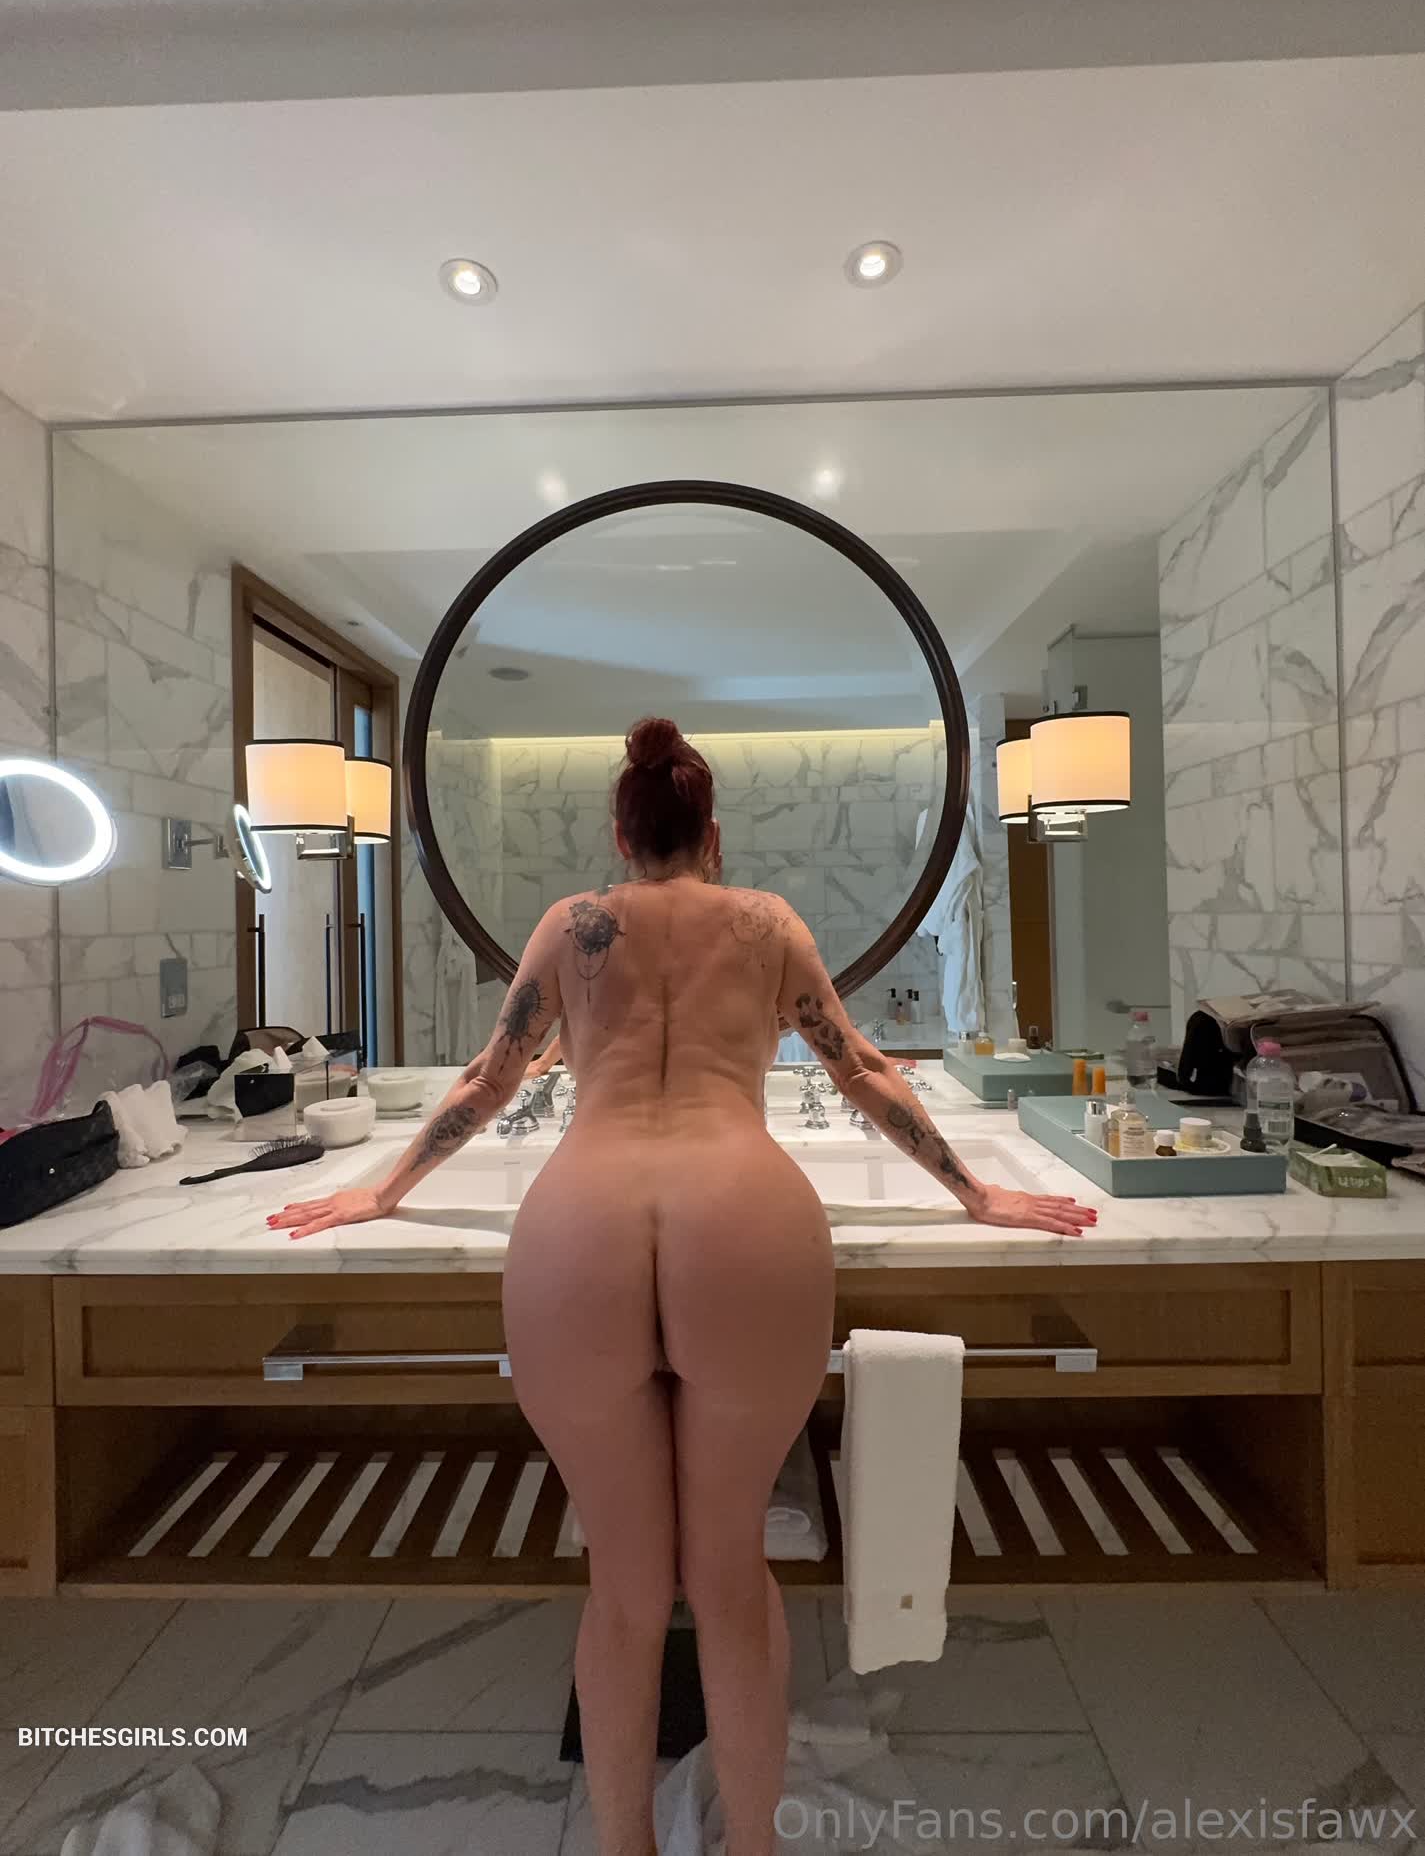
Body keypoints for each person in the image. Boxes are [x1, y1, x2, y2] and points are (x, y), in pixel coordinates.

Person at [268, 716, 1097, 1856]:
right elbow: (860, 1070)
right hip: (742, 1223)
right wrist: (975, 1192)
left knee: (624, 1589)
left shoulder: (572, 925)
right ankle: (751, 1845)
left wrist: (382, 1187)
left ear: (621, 835)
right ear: (712, 835)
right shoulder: (767, 924)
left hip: (582, 1233)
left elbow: (491, 1078)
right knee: (730, 1576)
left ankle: (625, 1847)